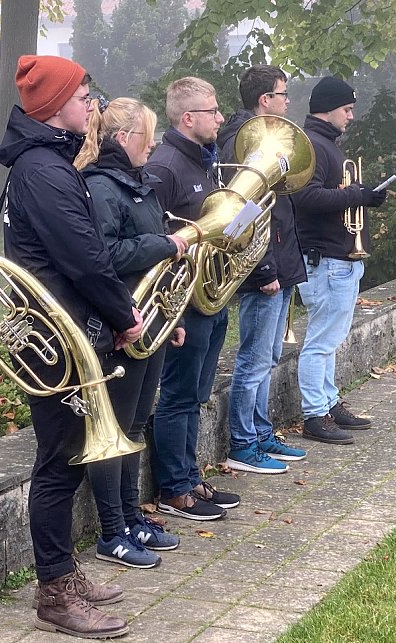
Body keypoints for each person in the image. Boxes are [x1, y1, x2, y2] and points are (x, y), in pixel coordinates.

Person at [0, 55, 143, 639]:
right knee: (58, 464)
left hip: (61, 332)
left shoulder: (45, 163)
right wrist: (124, 316)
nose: (93, 104)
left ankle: (64, 574)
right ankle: (56, 594)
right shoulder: (45, 171)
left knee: (69, 459)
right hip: (56, 339)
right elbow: (86, 260)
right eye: (85, 95)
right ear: (56, 106)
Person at [74, 97, 187, 568]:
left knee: (135, 424)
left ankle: (131, 516)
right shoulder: (101, 187)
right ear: (124, 138)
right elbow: (105, 256)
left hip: (149, 321)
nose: (155, 143)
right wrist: (165, 243)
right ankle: (111, 530)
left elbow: (150, 260)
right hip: (118, 325)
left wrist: (171, 319)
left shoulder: (139, 183)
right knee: (113, 430)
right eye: (149, 134)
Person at [145, 77, 240, 521]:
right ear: (188, 118)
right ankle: (174, 489)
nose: (221, 118)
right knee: (178, 396)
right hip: (183, 304)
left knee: (197, 394)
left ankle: (191, 476)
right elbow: (153, 240)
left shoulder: (203, 162)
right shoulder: (164, 167)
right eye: (213, 111)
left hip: (211, 299)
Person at [216, 65, 308, 474]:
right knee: (253, 359)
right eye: (283, 94)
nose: (288, 102)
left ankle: (260, 431)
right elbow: (246, 214)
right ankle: (242, 442)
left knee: (268, 356)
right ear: (264, 100)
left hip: (280, 261)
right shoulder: (243, 143)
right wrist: (265, 270)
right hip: (263, 267)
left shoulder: (266, 137)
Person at [292, 76, 388, 445]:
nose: (350, 116)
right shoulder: (313, 145)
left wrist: (361, 195)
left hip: (339, 258)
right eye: (346, 109)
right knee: (319, 341)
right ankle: (314, 413)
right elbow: (308, 198)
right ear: (328, 108)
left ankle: (329, 403)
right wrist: (356, 195)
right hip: (326, 260)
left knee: (329, 340)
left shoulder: (326, 144)